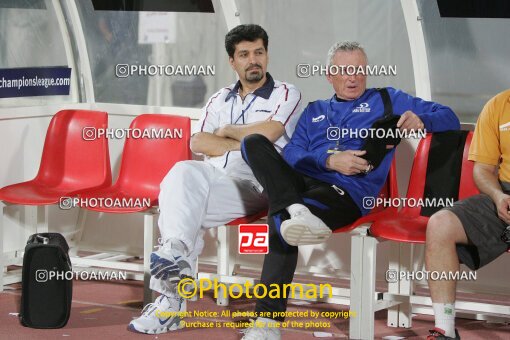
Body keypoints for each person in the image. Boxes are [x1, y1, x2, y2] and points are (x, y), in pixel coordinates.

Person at [239, 41, 460, 340]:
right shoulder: (314, 110)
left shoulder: (387, 99)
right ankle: (296, 207)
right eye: (344, 71)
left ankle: (266, 322)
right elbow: (292, 154)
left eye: (359, 70)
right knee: (252, 142)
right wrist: (329, 159)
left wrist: (424, 119)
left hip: (347, 192)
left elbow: (449, 117)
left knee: (280, 221)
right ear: (329, 76)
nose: (353, 77)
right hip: (301, 184)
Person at [128, 24, 302, 334]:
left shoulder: (286, 93)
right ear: (232, 61)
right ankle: (175, 260)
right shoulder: (219, 99)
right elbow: (198, 143)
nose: (253, 60)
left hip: (258, 185)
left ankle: (171, 302)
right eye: (244, 54)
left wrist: (229, 133)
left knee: (181, 210)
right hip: (216, 179)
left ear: (267, 55)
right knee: (182, 173)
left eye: (259, 53)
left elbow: (272, 132)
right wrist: (248, 140)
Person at [425, 89, 510, 340]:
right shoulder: (497, 105)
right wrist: (498, 197)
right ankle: (445, 329)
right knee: (440, 223)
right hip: (504, 194)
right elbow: (483, 170)